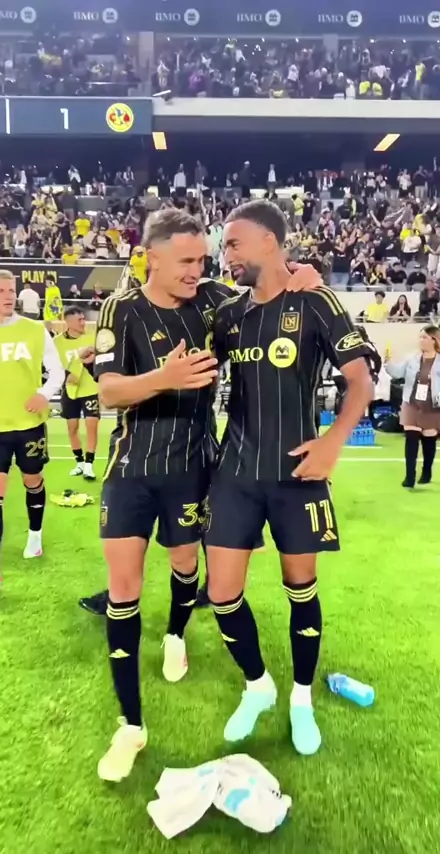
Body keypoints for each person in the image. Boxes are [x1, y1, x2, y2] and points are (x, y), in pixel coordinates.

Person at [90, 208, 320, 781]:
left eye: (202, 259)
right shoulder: (122, 308)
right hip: (132, 468)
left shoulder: (212, 302)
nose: (198, 270)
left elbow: (268, 285)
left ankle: (175, 634)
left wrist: (301, 272)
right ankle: (130, 726)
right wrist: (164, 379)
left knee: (186, 567)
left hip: (194, 470)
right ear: (152, 258)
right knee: (123, 588)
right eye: (186, 261)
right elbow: (109, 391)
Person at [203, 200, 373, 756]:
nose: (226, 255)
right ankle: (258, 685)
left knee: (301, 587)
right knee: (222, 591)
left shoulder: (315, 301)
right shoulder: (227, 313)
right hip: (235, 472)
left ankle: (301, 697)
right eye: (224, 246)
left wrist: (333, 442)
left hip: (298, 471)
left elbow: (361, 382)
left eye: (234, 244)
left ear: (269, 243)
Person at [0, 269, 64, 588]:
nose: (9, 295)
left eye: (11, 290)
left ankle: (35, 534)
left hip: (29, 426)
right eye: (2, 291)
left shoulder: (34, 330)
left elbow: (57, 371)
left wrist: (43, 393)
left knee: (33, 480)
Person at [385, 326, 440, 487]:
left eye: (424, 337)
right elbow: (397, 373)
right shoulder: (412, 358)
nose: (421, 340)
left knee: (429, 440)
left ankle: (427, 471)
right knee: (411, 439)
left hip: (432, 405)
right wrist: (388, 362)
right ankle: (410, 476)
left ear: (434, 340)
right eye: (420, 337)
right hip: (411, 403)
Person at [54, 306, 99, 480]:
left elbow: (95, 363)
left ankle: (89, 465)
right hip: (70, 391)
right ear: (68, 321)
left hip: (90, 389)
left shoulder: (92, 338)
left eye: (83, 319)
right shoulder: (57, 343)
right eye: (79, 320)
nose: (83, 322)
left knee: (92, 427)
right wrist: (79, 360)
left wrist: (80, 363)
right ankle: (79, 463)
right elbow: (63, 372)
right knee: (72, 428)